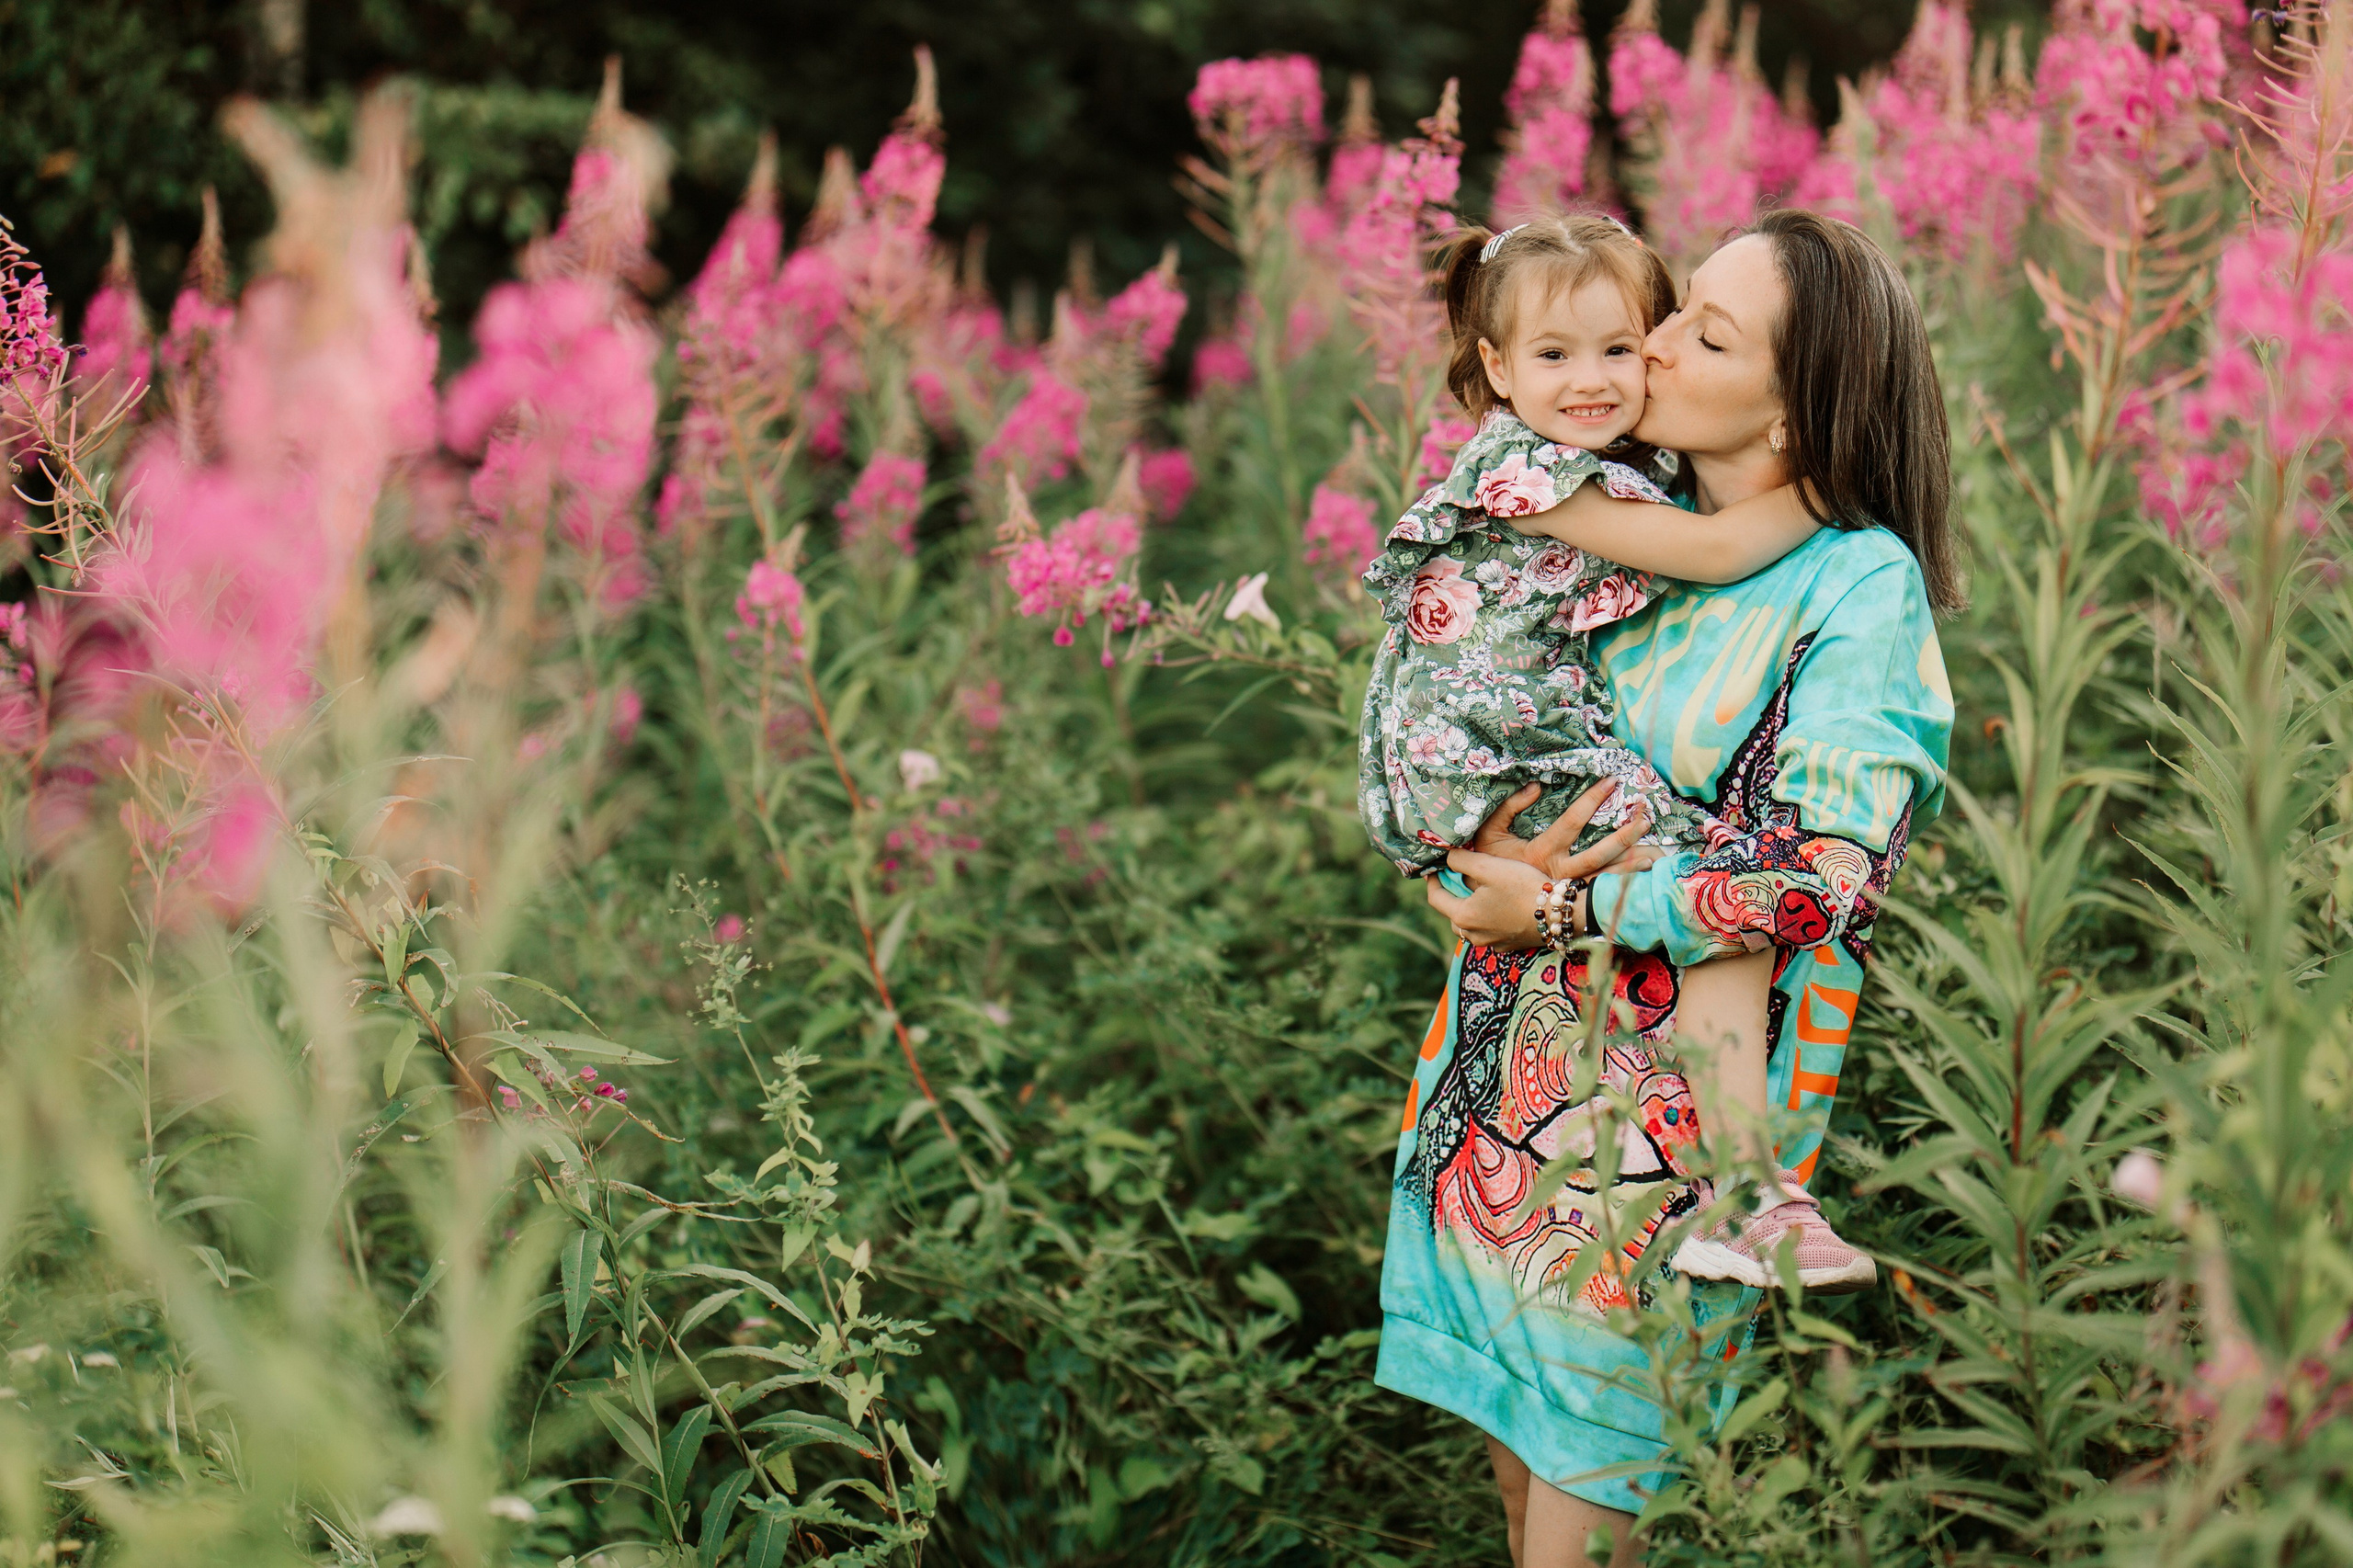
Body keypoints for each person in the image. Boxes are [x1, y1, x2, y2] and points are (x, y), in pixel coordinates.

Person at [1372, 209, 1961, 1568]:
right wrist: (1476, 866)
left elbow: (1819, 884)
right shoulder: (1622, 513)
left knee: (1583, 1527)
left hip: (1665, 1158)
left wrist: (1561, 909)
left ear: (1793, 413)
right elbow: (1474, 720)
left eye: (1707, 331)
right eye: (1677, 304)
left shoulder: (1855, 583)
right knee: (1521, 1496)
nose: (1652, 343)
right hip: (1496, 1093)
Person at [1357, 210, 1871, 1290]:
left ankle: (1727, 1189)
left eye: (1621, 346)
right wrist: (1831, 481)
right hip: (1500, 753)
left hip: (1492, 749)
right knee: (1719, 890)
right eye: (1554, 355)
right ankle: (1743, 1191)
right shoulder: (1536, 471)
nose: (1594, 379)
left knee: (1706, 893)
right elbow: (1714, 549)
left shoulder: (1583, 460)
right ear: (1498, 369)